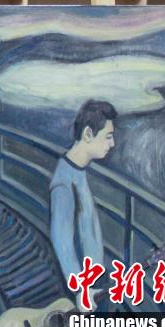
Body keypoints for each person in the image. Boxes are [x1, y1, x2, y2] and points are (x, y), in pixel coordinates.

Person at [50, 99, 117, 312]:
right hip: (84, 291)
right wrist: (80, 290)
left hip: (93, 282)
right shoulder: (64, 184)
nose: (112, 143)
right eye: (108, 136)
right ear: (88, 134)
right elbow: (62, 242)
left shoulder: (78, 171)